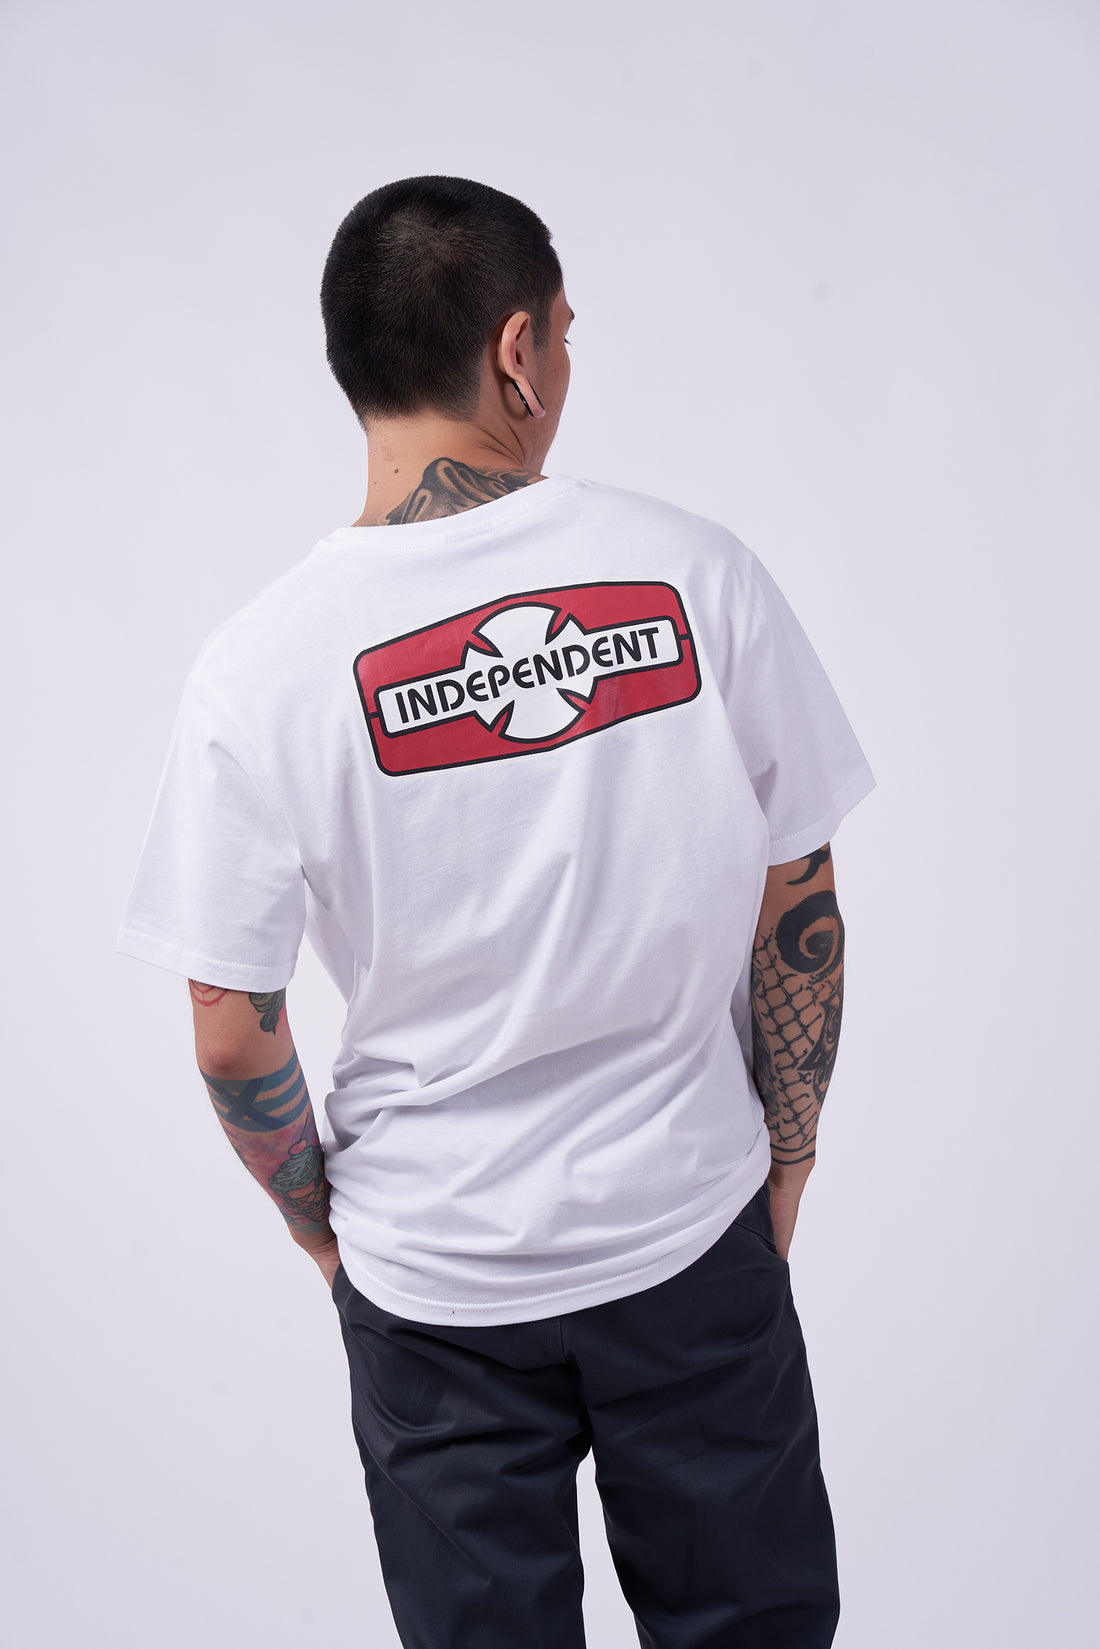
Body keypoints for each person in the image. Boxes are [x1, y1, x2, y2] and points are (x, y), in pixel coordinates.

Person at [118, 175, 874, 1649]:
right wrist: (784, 1161)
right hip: (688, 1228)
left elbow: (229, 1029)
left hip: (433, 1276)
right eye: (567, 335)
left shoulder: (259, 669)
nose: (567, 365)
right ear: (516, 351)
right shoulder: (696, 572)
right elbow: (803, 896)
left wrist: (324, 1234)